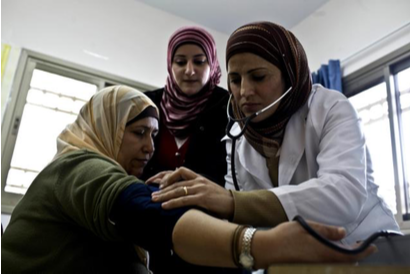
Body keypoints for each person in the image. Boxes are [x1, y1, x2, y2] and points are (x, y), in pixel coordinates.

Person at [1, 85, 375, 274]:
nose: (149, 148)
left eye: (153, 135)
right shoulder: (77, 167)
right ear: (106, 129)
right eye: (137, 133)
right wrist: (261, 244)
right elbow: (145, 215)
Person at [150, 21, 400, 245]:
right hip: (298, 258)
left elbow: (344, 195)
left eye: (258, 77)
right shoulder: (236, 136)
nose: (244, 91)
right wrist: (198, 197)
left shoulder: (330, 109)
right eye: (235, 80)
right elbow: (240, 214)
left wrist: (230, 201)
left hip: (368, 246)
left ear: (290, 75)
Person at [141, 26, 229, 187]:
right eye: (180, 62)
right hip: (145, 204)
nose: (189, 70)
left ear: (212, 64)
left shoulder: (229, 107)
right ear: (170, 65)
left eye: (199, 61)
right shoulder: (147, 103)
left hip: (204, 209)